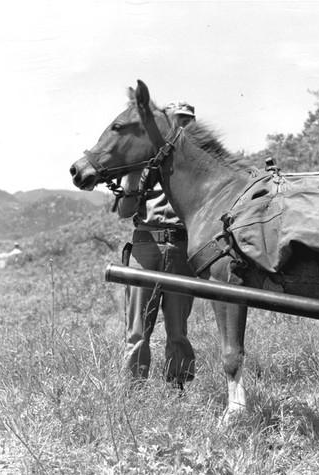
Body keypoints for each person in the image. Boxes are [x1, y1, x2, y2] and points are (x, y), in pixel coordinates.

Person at [117, 102, 197, 386]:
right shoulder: (143, 162)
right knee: (138, 328)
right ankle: (133, 388)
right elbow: (125, 211)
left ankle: (177, 387)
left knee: (178, 329)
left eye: (188, 121)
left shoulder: (198, 167)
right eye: (177, 120)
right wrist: (132, 178)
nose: (182, 127)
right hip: (147, 243)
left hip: (180, 247)